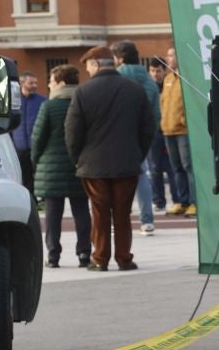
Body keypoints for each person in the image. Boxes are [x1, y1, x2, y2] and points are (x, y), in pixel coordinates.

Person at [65, 46, 155, 272]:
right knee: (123, 213)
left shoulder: (83, 92)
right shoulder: (134, 89)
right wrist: (138, 154)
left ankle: (100, 258)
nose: (87, 71)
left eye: (88, 66)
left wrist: (78, 158)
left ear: (95, 64)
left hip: (93, 165)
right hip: (127, 163)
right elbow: (148, 128)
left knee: (99, 212)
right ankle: (124, 258)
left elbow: (72, 132)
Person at [30, 65, 88, 268]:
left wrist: (36, 161)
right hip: (79, 165)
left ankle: (53, 256)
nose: (48, 84)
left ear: (61, 83)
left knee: (53, 215)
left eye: (51, 81)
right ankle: (84, 253)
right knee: (81, 211)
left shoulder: (49, 106)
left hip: (51, 167)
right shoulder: (84, 103)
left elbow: (38, 138)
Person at [111, 40, 164, 234]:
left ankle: (115, 219)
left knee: (114, 178)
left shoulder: (116, 77)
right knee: (142, 176)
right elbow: (155, 113)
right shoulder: (148, 80)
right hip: (142, 135)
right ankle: (147, 220)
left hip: (117, 135)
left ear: (121, 58)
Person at [150, 52, 193, 214]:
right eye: (167, 56)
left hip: (182, 130)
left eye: (171, 56)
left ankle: (193, 202)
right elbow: (163, 104)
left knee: (187, 166)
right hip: (167, 130)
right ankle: (182, 201)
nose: (168, 59)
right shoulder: (168, 79)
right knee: (176, 168)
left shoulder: (186, 78)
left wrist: (183, 119)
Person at [11, 72, 42, 189]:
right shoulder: (13, 101)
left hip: (37, 148)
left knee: (38, 178)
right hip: (19, 149)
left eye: (36, 83)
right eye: (31, 83)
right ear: (22, 83)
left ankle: (39, 203)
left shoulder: (42, 101)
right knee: (23, 178)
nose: (34, 85)